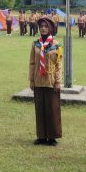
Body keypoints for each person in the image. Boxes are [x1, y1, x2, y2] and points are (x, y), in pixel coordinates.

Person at [29, 16, 63, 146]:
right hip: (38, 80)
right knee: (40, 108)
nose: (43, 28)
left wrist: (58, 81)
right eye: (41, 26)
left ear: (51, 29)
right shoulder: (35, 44)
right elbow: (32, 63)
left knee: (52, 108)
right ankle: (41, 136)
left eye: (45, 26)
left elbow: (58, 65)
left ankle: (52, 136)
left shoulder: (56, 45)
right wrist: (31, 79)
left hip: (51, 80)